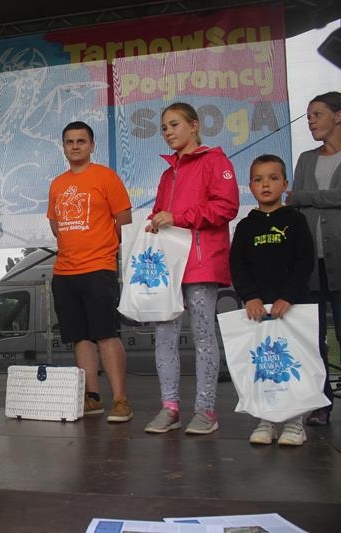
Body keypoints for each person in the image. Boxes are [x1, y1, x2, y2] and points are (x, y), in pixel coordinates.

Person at [144, 102, 239, 435]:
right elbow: (160, 212)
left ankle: (205, 411)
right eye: (164, 128)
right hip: (169, 267)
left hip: (201, 262)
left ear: (194, 125)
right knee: (164, 336)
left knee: (203, 335)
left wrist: (178, 218)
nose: (168, 132)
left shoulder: (215, 161)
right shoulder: (167, 174)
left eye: (174, 125)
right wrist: (152, 224)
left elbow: (226, 206)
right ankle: (169, 408)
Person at [287, 91, 341, 427]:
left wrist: (304, 196)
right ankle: (320, 403)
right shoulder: (307, 159)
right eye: (309, 115)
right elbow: (297, 205)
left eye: (317, 114)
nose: (310, 121)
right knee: (314, 335)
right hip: (310, 260)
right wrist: (304, 200)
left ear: (339, 116)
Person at [47, 121, 134, 423]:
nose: (75, 146)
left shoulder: (106, 177)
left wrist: (106, 248)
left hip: (99, 268)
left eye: (81, 141)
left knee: (106, 334)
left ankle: (121, 400)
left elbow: (124, 219)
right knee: (80, 338)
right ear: (64, 147)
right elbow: (55, 223)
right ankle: (92, 398)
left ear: (92, 145)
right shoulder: (57, 184)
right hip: (65, 272)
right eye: (69, 142)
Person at [230, 154, 315, 446]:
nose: (265, 184)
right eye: (258, 179)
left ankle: (295, 423)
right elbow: (237, 265)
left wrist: (288, 296)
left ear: (285, 184)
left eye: (273, 178)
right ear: (250, 186)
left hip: (292, 307)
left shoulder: (296, 220)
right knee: (264, 364)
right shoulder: (245, 226)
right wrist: (250, 296)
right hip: (259, 309)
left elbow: (305, 261)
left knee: (293, 362)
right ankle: (266, 419)